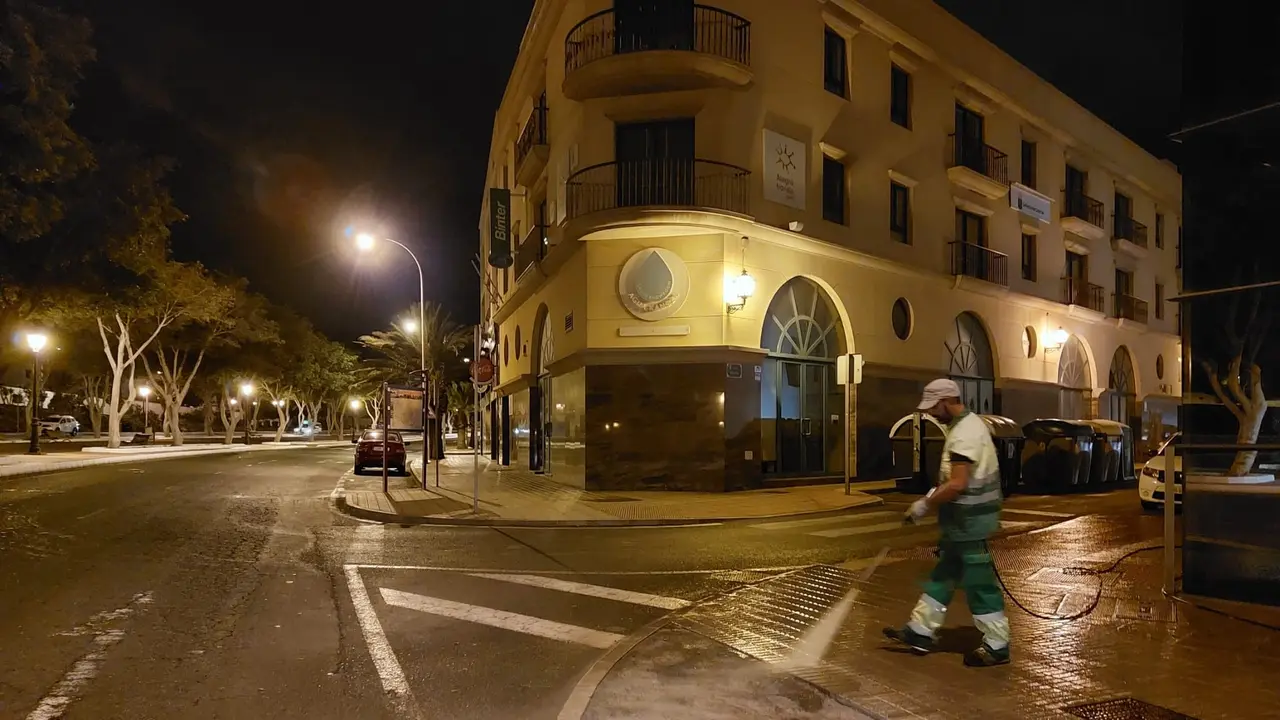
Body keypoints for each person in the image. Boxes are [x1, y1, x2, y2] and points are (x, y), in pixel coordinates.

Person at [882, 378, 1010, 667]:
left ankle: (997, 644)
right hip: (962, 523)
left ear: (946, 401)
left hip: (970, 523)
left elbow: (957, 484)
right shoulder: (965, 426)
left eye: (933, 407)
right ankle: (920, 631)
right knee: (944, 576)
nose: (930, 413)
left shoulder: (964, 434)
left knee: (979, 585)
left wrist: (925, 504)